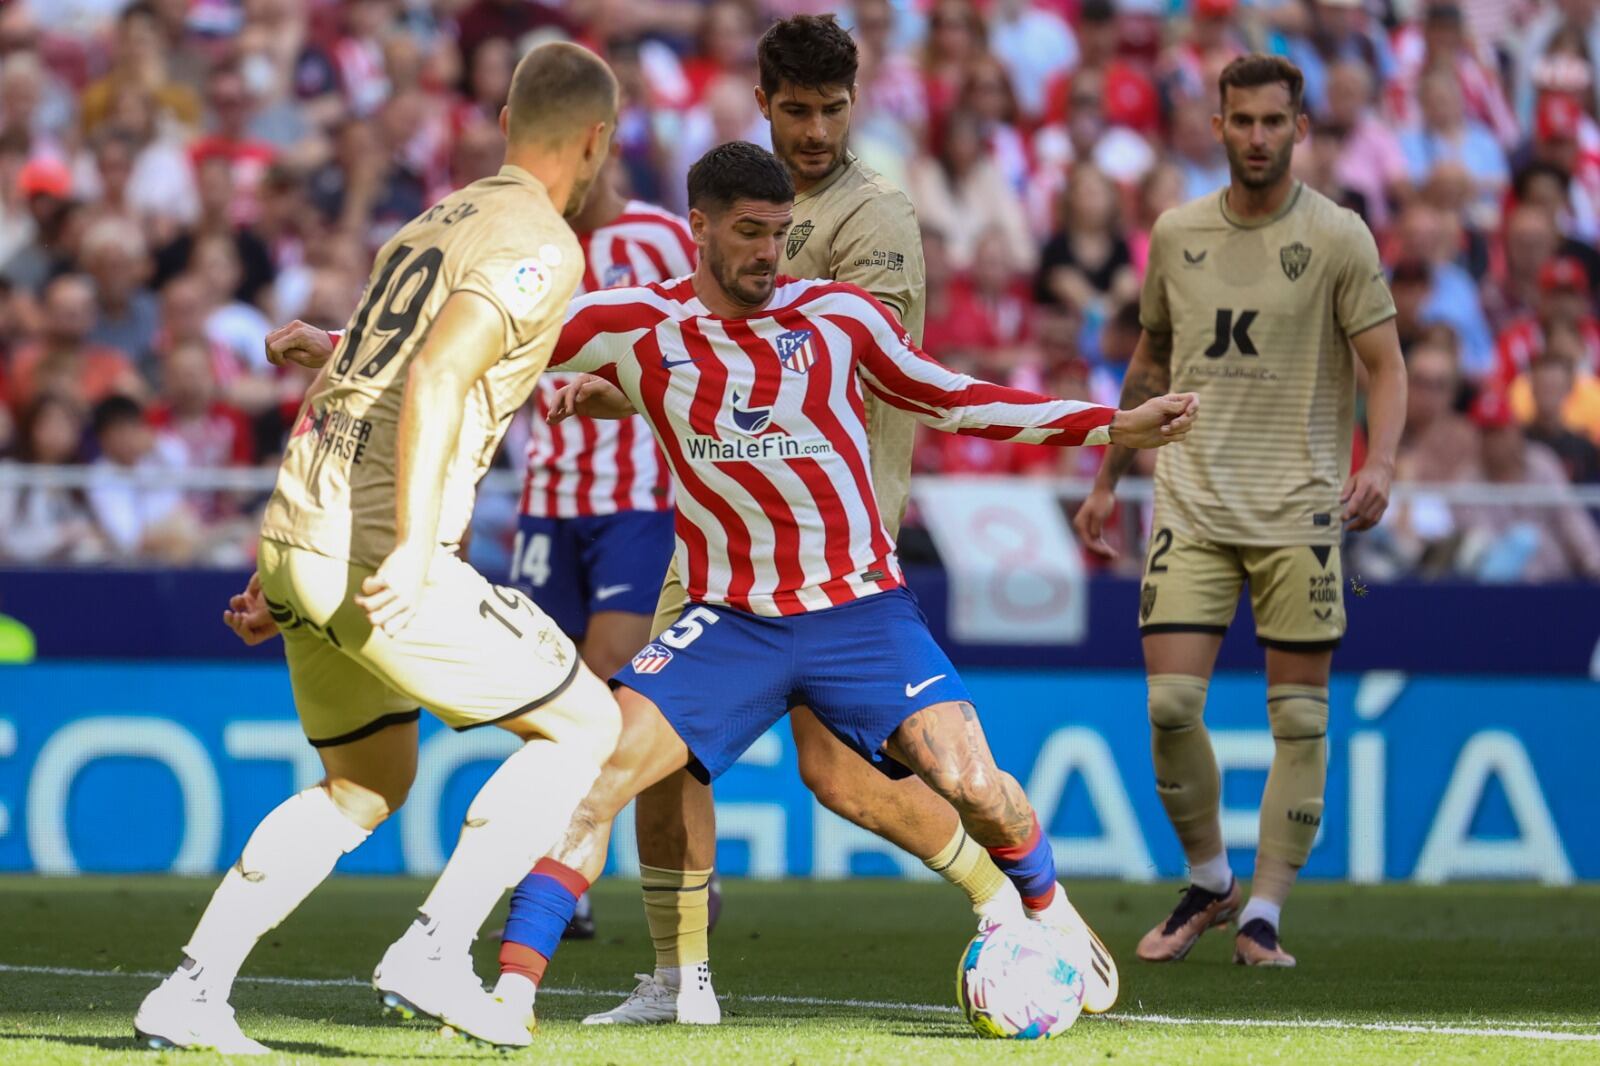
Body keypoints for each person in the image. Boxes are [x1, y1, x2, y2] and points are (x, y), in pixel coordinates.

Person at [490, 139, 1197, 1033]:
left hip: (858, 610)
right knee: (598, 776)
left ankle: (1047, 907)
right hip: (731, 619)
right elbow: (490, 338)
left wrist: (1111, 424)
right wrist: (343, 347)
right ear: (698, 227)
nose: (768, 254)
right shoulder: (637, 323)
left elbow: (953, 397)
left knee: (972, 782)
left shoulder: (837, 316)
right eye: (749, 233)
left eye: (780, 233)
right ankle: (512, 996)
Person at [540, 15, 1055, 1029]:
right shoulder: (740, 194)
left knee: (840, 776)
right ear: (764, 103)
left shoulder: (876, 217)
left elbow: (831, 376)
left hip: (830, 545)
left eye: (832, 110)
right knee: (663, 751)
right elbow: (700, 353)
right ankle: (679, 977)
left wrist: (650, 377)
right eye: (797, 109)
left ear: (854, 106)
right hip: (716, 534)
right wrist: (623, 385)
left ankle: (1015, 901)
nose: (816, 131)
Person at [132, 42, 623, 1054]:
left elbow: (353, 382)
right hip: (378, 550)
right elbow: (437, 373)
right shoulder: (541, 240)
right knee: (585, 723)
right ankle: (437, 949)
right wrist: (410, 548)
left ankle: (192, 989)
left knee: (365, 784)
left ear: (504, 124)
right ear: (598, 141)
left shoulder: (430, 222)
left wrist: (281, 563)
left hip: (305, 529)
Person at [1073, 55, 1406, 968]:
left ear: (1301, 127)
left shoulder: (1337, 236)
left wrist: (1381, 461)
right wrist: (1108, 478)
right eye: (1243, 120)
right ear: (1217, 125)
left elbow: (1386, 364)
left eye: (1273, 121)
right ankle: (1211, 877)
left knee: (1297, 720)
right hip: (1192, 502)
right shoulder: (1176, 232)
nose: (1258, 137)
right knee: (1173, 704)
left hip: (1299, 510)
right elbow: (1150, 364)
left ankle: (1263, 912)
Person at [514, 155, 697, 939]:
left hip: (639, 501)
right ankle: (624, 863)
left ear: (599, 148)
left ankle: (582, 868)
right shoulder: (521, 243)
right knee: (544, 695)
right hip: (546, 501)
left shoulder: (662, 237)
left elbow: (711, 336)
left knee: (611, 686)